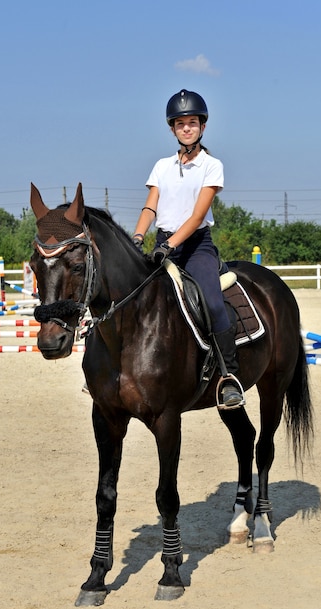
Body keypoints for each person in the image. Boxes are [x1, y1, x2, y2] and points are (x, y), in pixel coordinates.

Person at [132, 88, 244, 409]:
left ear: (202, 127)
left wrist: (170, 244)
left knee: (212, 301)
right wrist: (139, 238)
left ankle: (228, 377)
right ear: (172, 129)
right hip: (162, 244)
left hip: (195, 247)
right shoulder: (162, 166)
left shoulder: (212, 165)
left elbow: (197, 216)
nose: (186, 129)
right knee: (129, 293)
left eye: (192, 123)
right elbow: (150, 207)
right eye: (180, 124)